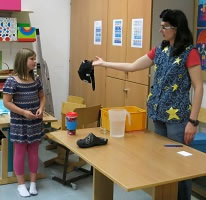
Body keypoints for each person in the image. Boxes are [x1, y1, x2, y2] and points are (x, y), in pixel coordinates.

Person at [93, 9, 203, 200]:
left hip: (178, 119)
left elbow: (199, 87)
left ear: (176, 28)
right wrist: (104, 64)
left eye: (165, 27)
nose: (161, 30)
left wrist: (192, 121)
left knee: (180, 166)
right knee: (161, 162)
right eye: (161, 26)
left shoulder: (189, 52)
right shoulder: (160, 50)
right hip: (158, 115)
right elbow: (132, 66)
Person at [3, 48, 46, 197]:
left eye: (35, 58)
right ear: (23, 61)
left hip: (34, 121)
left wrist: (41, 108)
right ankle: (21, 184)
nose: (35, 61)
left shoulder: (36, 79)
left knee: (34, 152)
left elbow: (42, 96)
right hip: (19, 122)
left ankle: (33, 183)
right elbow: (7, 102)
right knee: (20, 152)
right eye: (32, 59)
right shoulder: (12, 80)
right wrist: (23, 112)